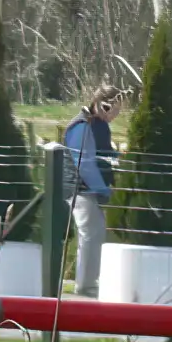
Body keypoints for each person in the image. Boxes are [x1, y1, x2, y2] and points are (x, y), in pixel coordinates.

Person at [62, 85, 116, 293]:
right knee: (90, 233)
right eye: (114, 108)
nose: (116, 114)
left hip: (86, 189)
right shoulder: (82, 126)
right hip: (80, 189)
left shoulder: (96, 125)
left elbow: (102, 155)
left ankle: (88, 282)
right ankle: (85, 285)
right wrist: (103, 189)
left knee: (94, 232)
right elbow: (84, 164)